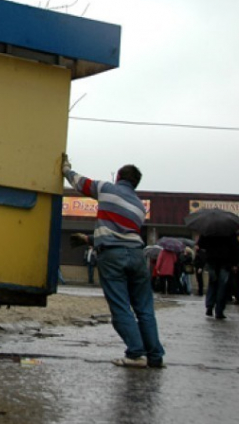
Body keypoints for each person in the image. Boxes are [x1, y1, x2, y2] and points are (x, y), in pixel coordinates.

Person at [63, 154, 165, 369]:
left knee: (121, 307)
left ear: (119, 176)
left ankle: (136, 354)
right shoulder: (139, 206)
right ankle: (155, 356)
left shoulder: (108, 189)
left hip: (112, 256)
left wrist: (66, 169)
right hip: (137, 256)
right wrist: (89, 239)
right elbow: (123, 232)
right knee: (144, 309)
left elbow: (81, 183)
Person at [198, 230, 239, 319]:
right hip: (225, 263)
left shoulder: (209, 230)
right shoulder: (229, 231)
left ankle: (209, 306)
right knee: (222, 287)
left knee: (212, 284)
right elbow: (235, 248)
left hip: (212, 261)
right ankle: (219, 310)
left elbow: (201, 244)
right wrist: (235, 263)